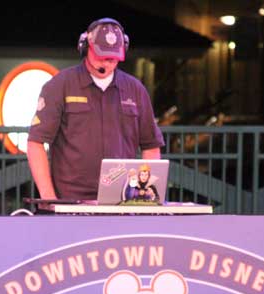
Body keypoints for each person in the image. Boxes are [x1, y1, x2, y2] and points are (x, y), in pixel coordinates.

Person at [27, 17, 165, 200]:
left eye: (113, 58)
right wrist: (49, 198)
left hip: (122, 199)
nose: (107, 63)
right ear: (85, 47)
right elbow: (35, 142)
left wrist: (147, 196)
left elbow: (151, 146)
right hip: (70, 200)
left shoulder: (135, 89)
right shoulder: (60, 85)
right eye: (101, 56)